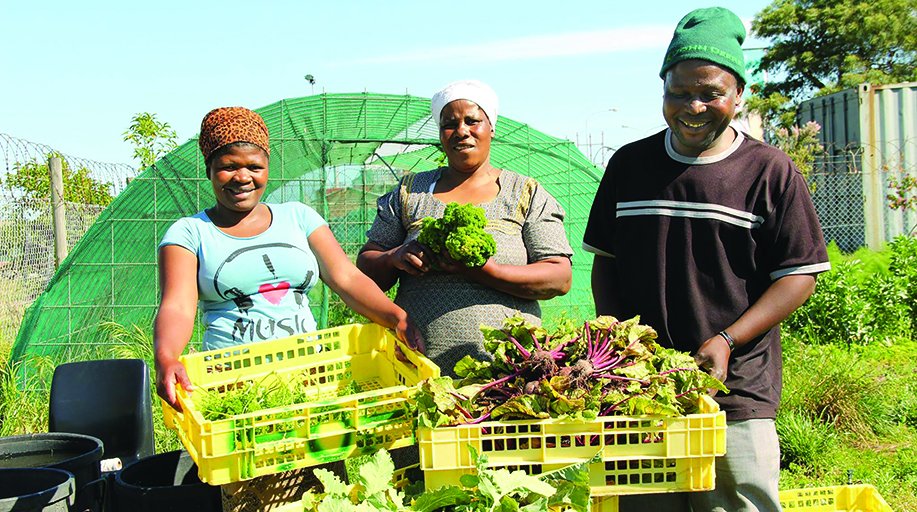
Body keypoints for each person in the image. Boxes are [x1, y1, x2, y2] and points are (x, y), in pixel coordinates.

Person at [582, 7, 831, 512]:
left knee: (740, 504)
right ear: (663, 92)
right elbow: (606, 260)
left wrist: (726, 340)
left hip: (735, 386)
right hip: (641, 387)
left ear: (738, 95)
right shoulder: (629, 165)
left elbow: (799, 276)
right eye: (678, 92)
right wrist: (618, 340)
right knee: (646, 504)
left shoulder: (769, 172)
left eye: (710, 92)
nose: (693, 106)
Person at [154, 106, 423, 409]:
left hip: (309, 377)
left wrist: (396, 317)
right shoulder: (190, 233)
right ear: (209, 170)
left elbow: (346, 278)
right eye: (229, 166)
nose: (242, 177)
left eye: (254, 167)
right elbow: (177, 305)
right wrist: (166, 357)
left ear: (267, 168)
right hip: (230, 385)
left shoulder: (298, 217)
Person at [356, 80, 573, 375]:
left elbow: (558, 276)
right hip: (417, 367)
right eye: (449, 124)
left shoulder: (525, 193)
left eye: (473, 121)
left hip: (511, 372)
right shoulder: (410, 192)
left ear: (491, 127)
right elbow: (366, 270)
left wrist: (485, 271)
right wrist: (394, 257)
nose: (461, 131)